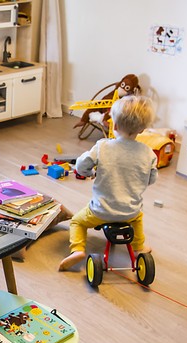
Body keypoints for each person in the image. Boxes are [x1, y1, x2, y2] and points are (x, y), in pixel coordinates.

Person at [59, 95, 157, 271]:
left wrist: (89, 173)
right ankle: (138, 248)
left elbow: (81, 166)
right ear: (142, 129)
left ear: (115, 125)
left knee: (77, 221)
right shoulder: (149, 153)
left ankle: (77, 250)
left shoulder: (102, 146)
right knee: (138, 217)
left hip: (100, 211)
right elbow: (151, 179)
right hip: (130, 212)